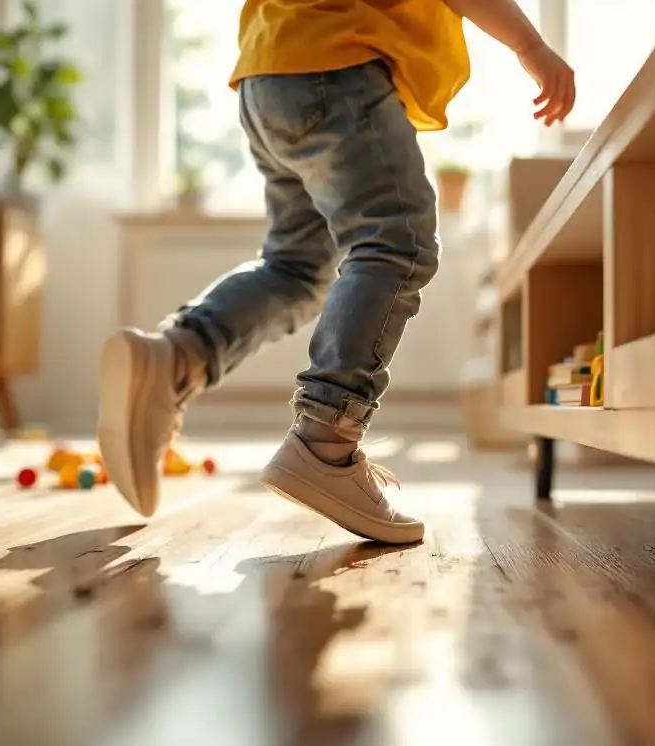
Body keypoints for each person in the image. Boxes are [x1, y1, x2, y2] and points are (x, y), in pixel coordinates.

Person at [96, 0, 576, 544]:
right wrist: (530, 46)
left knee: (296, 269)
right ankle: (327, 439)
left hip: (268, 72)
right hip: (338, 67)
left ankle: (179, 356)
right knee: (398, 242)